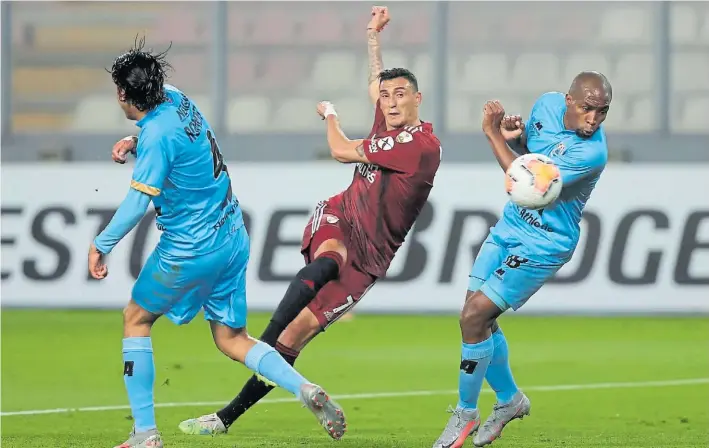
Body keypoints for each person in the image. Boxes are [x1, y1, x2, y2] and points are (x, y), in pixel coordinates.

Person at [179, 5, 443, 437]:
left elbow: (341, 151)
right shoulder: (389, 118)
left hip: (372, 258)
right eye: (388, 96)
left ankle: (230, 413)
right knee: (328, 260)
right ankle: (262, 345)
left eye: (401, 95)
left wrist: (332, 115)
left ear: (418, 99)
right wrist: (373, 37)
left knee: (295, 338)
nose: (392, 102)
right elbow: (376, 83)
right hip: (341, 216)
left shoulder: (421, 146)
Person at [91, 38, 346, 448]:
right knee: (232, 339)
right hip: (231, 236)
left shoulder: (156, 134)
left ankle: (144, 434)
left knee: (136, 319)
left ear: (123, 94)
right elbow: (176, 141)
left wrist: (100, 244)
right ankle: (303, 388)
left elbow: (139, 201)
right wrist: (134, 141)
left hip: (190, 249)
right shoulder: (176, 99)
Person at [432, 71, 612, 448]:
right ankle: (510, 400)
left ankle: (466, 413)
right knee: (477, 318)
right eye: (587, 108)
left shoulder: (592, 152)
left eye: (602, 112)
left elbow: (530, 181)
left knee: (473, 317)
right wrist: (517, 132)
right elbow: (531, 145)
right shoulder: (545, 103)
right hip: (511, 225)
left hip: (545, 242)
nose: (593, 119)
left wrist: (492, 133)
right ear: (568, 100)